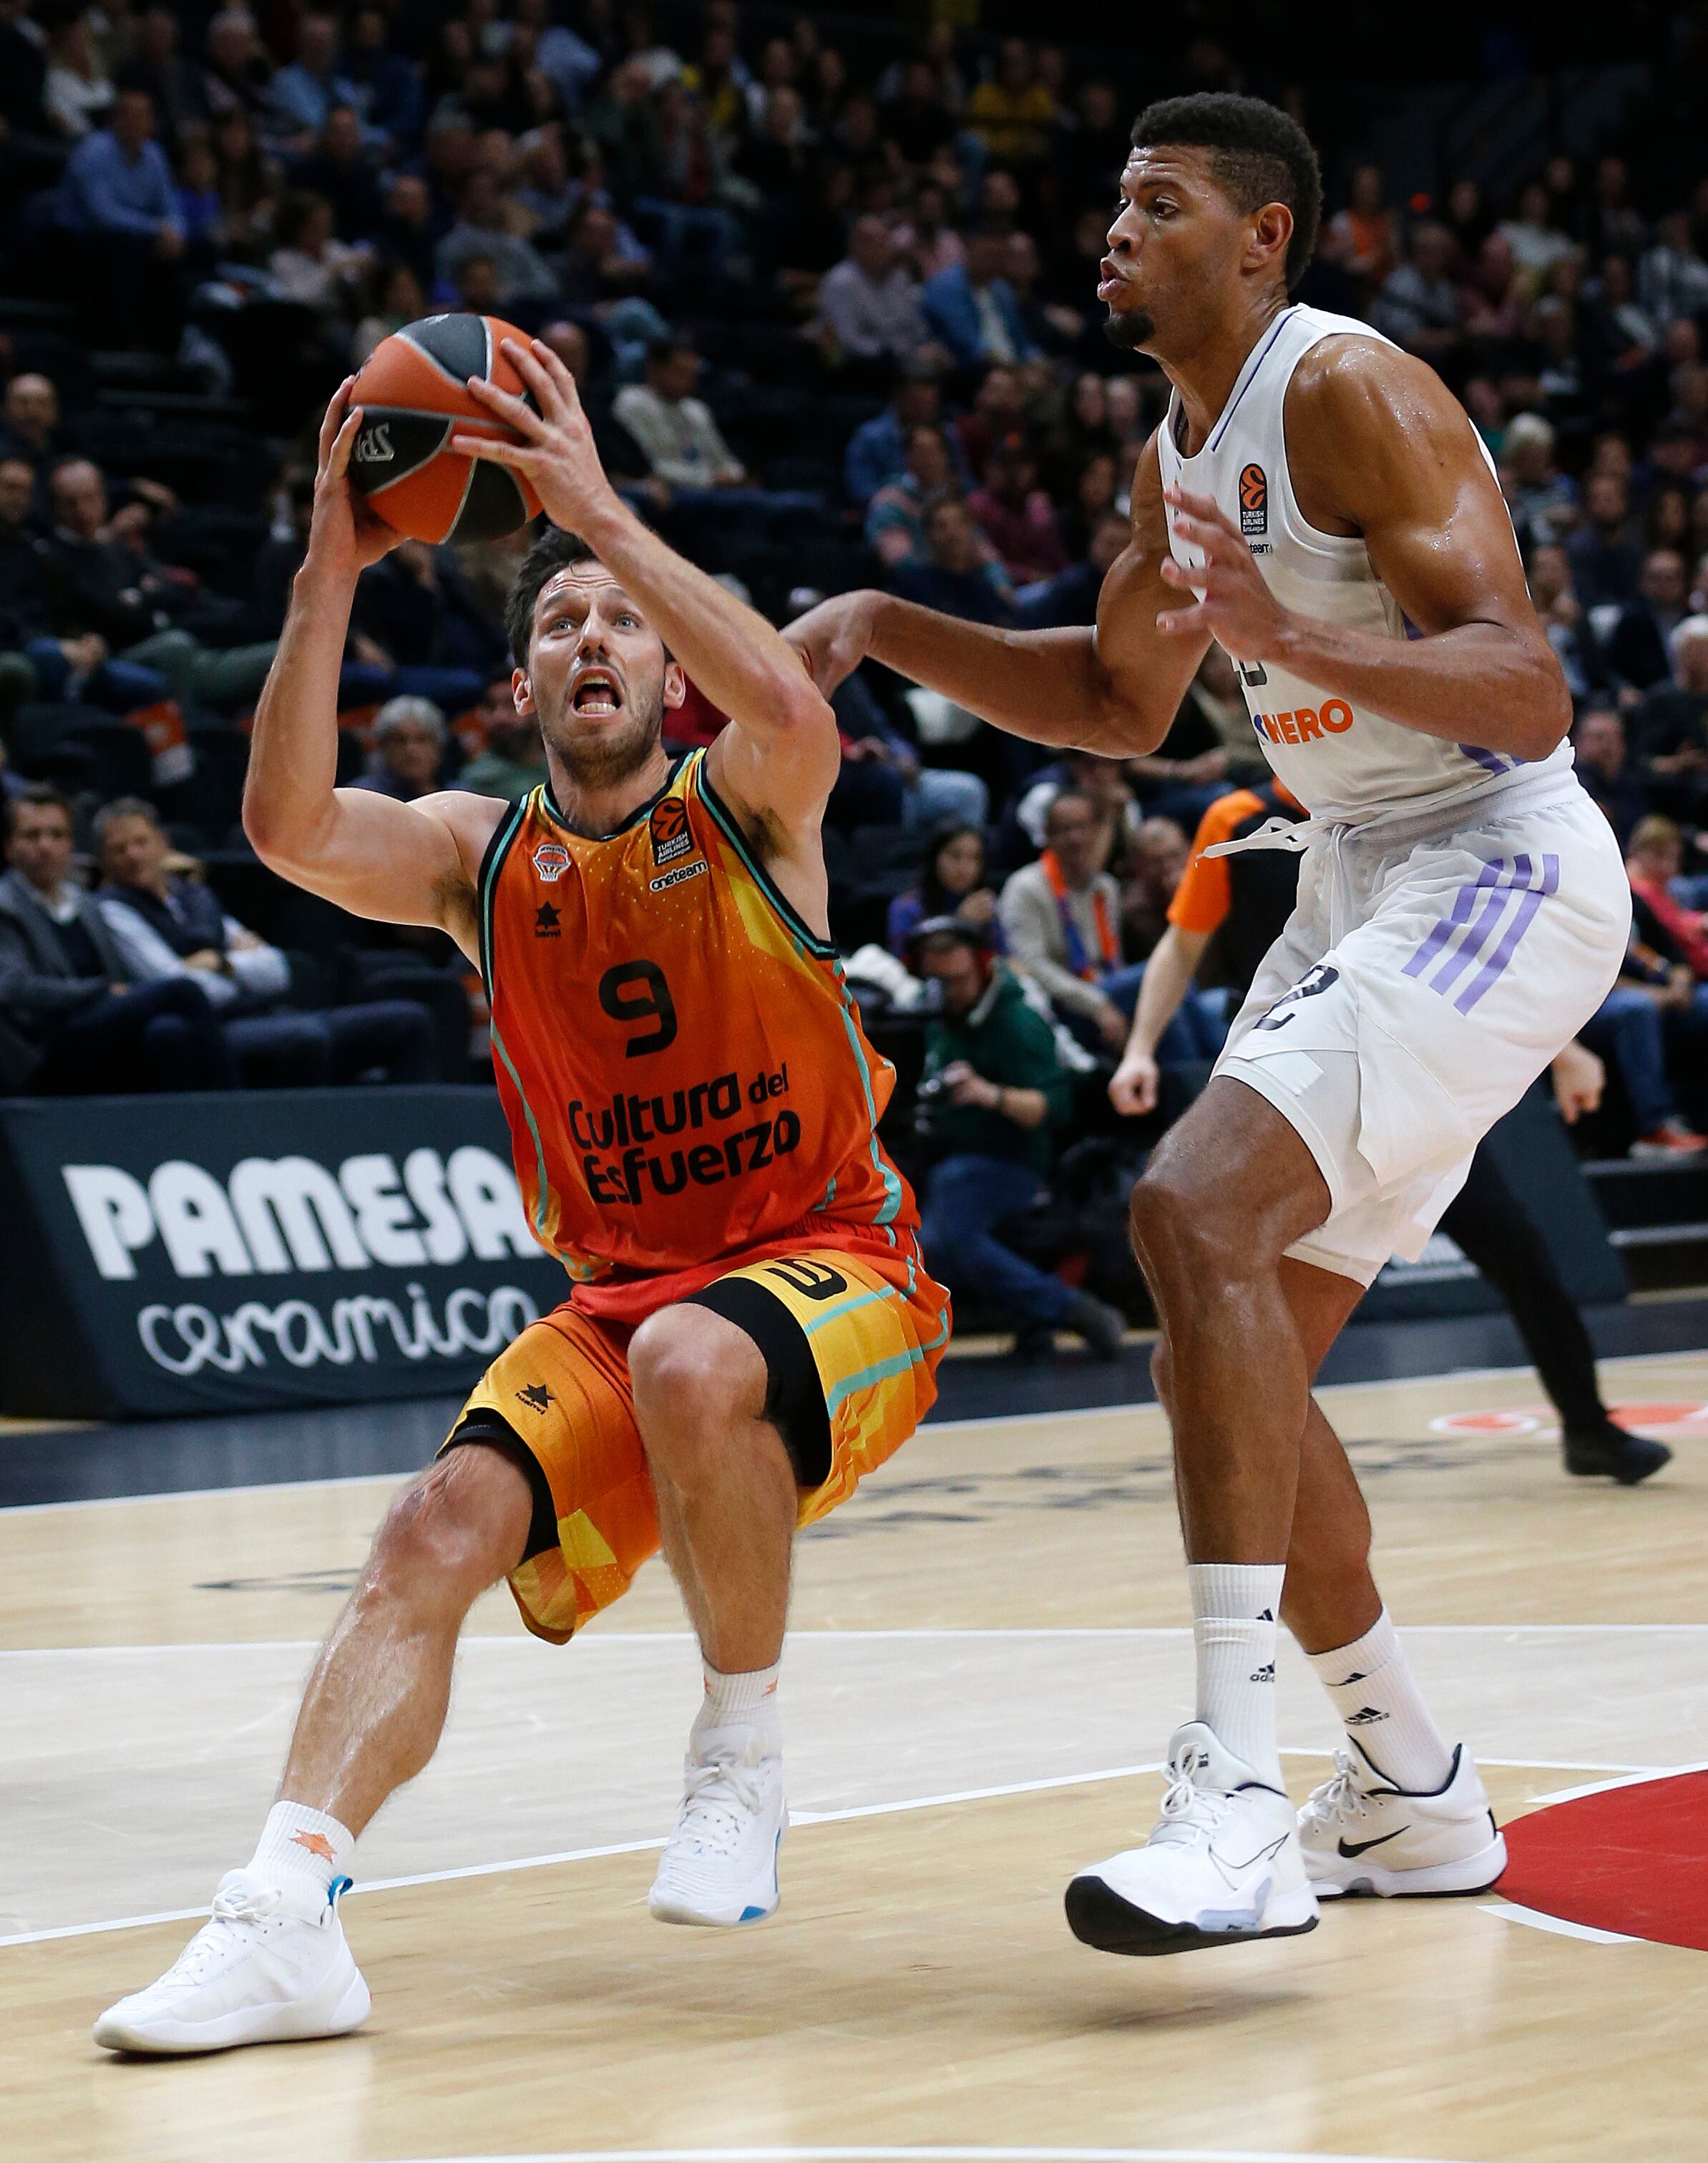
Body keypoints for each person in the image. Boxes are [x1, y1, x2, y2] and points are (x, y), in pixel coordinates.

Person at [789, 92, 1630, 1956]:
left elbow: (1524, 685)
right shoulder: (1177, 451)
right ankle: (1406, 1788)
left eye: (1156, 203)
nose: (1114, 229)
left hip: (1498, 852)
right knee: (1212, 1364)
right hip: (1363, 870)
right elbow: (1113, 699)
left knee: (1186, 1207)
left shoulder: (1348, 392)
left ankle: (1236, 1788)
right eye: (1114, 202)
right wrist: (872, 622)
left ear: (1261, 239)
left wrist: (1302, 639)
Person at [96, 338, 950, 2055]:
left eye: (618, 622)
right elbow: (277, 824)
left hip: (833, 1265)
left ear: (668, 668)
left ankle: (739, 1749)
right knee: (430, 1531)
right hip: (617, 1292)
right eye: (558, 621)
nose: (590, 639)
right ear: (522, 686)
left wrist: (602, 516)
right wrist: (331, 561)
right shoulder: (478, 859)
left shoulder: (752, 798)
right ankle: (286, 1912)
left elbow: (792, 705)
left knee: (705, 1361)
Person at [1109, 783, 1668, 1484]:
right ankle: (1235, 1456)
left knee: (1516, 1248)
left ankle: (1588, 1427)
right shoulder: (1237, 819)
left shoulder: (1410, 793)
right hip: (1292, 1089)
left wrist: (1564, 1050)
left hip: (1401, 1065)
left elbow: (1470, 942)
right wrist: (1138, 1049)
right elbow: (1181, 942)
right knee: (1249, 1287)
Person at [94, 797, 439, 1087]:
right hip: (210, 1029)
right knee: (305, 1038)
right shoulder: (112, 908)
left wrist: (221, 964)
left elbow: (276, 970)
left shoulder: (195, 895)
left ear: (162, 842)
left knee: (410, 1021)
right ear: (105, 860)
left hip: (265, 1011)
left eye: (140, 842)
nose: (134, 855)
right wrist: (235, 969)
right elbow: (178, 987)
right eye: (119, 849)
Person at [909, 917, 1123, 1356]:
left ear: (981, 962)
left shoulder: (1016, 1021)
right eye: (936, 978)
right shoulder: (940, 1019)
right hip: (949, 1159)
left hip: (1010, 1162)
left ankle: (1068, 1308)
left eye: (955, 977)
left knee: (941, 1238)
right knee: (932, 1222)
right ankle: (1039, 1314)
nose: (946, 988)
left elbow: (1053, 1107)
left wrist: (991, 1095)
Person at [0, 785, 230, 1094]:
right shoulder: (6, 905)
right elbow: (13, 987)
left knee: (169, 1033)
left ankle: (193, 1129)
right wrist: (97, 991)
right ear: (9, 847)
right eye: (32, 836)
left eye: (57, 835)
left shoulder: (84, 902)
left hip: (100, 1021)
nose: (46, 846)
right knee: (183, 990)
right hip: (50, 1036)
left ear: (71, 844)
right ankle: (234, 1103)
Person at [1000, 788, 1140, 1050]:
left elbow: (1115, 958)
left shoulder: (1105, 887)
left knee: (1170, 1005)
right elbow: (1031, 966)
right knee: (1158, 980)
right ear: (1048, 837)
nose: (1076, 839)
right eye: (1065, 830)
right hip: (1060, 1005)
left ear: (1097, 832)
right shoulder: (1025, 888)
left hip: (1108, 989)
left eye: (1083, 827)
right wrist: (1097, 1005)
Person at [887, 819, 1002, 956]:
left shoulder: (985, 905)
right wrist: (961, 923)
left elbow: (1004, 958)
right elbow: (905, 964)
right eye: (955, 856)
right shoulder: (906, 907)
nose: (965, 868)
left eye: (975, 858)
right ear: (934, 858)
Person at [458, 676, 550, 799]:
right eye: (491, 707)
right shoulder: (477, 779)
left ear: (536, 709)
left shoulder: (559, 770)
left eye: (512, 705)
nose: (500, 717)